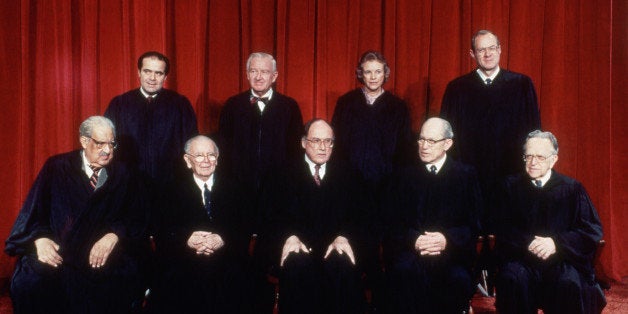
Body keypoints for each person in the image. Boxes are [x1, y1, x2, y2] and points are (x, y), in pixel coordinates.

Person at [5, 116, 150, 314]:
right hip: (60, 251)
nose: (107, 151)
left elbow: (137, 219)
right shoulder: (57, 167)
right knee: (29, 282)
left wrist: (114, 235)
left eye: (111, 144)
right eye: (100, 144)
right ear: (84, 141)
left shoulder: (124, 174)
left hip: (102, 254)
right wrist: (40, 240)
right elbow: (34, 212)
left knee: (122, 279)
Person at [217, 52, 303, 311]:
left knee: (270, 253)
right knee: (239, 255)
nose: (258, 76)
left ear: (274, 76)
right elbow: (223, 149)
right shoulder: (232, 106)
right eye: (253, 71)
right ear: (247, 74)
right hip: (239, 193)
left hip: (276, 195)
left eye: (264, 72)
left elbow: (295, 154)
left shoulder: (289, 107)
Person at [331, 50, 415, 311]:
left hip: (387, 189)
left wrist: (397, 187)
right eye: (368, 71)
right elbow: (336, 146)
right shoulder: (346, 104)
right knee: (356, 246)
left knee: (387, 251)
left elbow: (405, 153)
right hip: (352, 189)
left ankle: (384, 304)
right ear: (360, 74)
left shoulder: (398, 107)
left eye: (378, 71)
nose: (373, 76)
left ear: (385, 74)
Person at [262, 119, 369, 314]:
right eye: (316, 141)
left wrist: (344, 235)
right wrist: (288, 236)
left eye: (328, 141)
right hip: (298, 246)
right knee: (295, 265)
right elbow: (270, 218)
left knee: (343, 265)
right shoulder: (280, 175)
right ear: (303, 142)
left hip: (334, 246)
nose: (323, 147)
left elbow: (361, 217)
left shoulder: (349, 174)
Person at [494, 130, 605, 314]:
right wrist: (528, 242)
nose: (532, 162)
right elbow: (500, 226)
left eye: (540, 157)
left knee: (569, 283)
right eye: (528, 156)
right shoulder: (509, 187)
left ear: (554, 159)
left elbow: (590, 230)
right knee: (512, 279)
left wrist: (556, 243)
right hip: (522, 258)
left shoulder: (572, 189)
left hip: (561, 259)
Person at [383, 117, 482, 314]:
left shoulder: (465, 176)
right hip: (412, 253)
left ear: (448, 143)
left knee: (457, 279)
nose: (424, 146)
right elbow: (391, 223)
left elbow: (475, 224)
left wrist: (447, 239)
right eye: (421, 140)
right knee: (403, 274)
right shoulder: (404, 176)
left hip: (451, 255)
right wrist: (415, 239)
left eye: (431, 141)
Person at [148, 135, 253, 314]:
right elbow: (160, 230)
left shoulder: (237, 188)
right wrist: (186, 239)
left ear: (217, 160)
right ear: (188, 161)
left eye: (211, 155)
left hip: (226, 261)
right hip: (184, 262)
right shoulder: (169, 190)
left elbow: (247, 227)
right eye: (199, 156)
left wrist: (222, 238)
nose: (206, 161)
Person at [105, 51, 198, 185]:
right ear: (139, 72)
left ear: (165, 77)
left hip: (170, 184)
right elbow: (107, 143)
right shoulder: (119, 104)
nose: (152, 78)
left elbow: (192, 144)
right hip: (128, 184)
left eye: (158, 73)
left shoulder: (180, 104)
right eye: (147, 71)